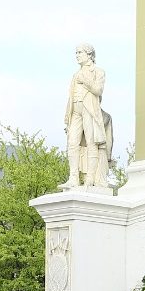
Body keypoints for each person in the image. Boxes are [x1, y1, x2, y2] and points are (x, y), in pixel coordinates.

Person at [61, 42, 111, 189]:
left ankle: (90, 178)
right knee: (72, 143)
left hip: (89, 109)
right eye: (76, 53)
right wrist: (67, 116)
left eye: (80, 52)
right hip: (75, 111)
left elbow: (98, 90)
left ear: (89, 55)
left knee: (91, 143)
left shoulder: (98, 71)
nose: (77, 56)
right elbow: (70, 96)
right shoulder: (75, 75)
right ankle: (73, 177)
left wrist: (86, 81)